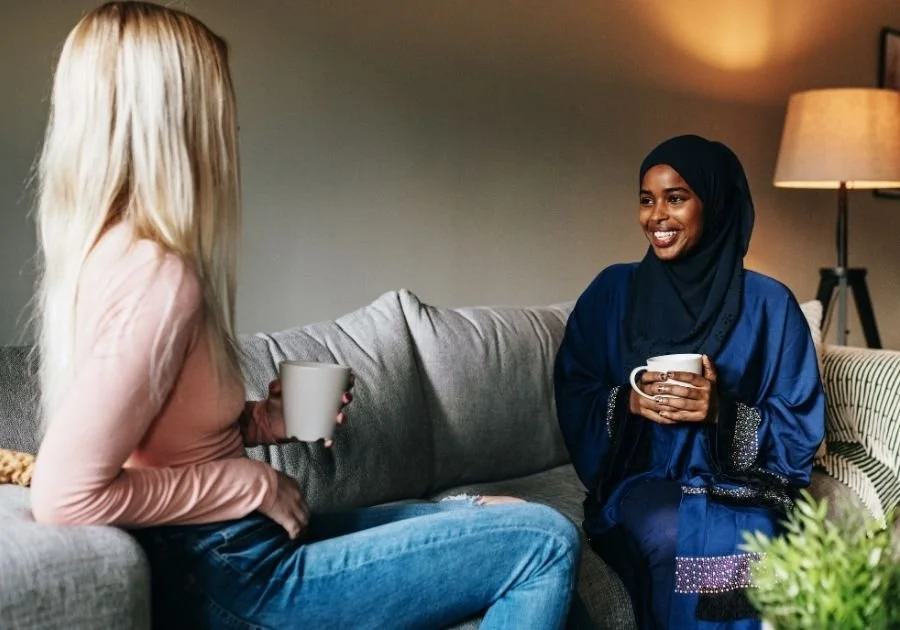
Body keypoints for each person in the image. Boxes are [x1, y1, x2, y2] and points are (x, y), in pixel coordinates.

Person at [28, 3, 580, 629]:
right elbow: (66, 495)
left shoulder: (113, 254)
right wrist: (251, 485)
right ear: (172, 121)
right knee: (544, 540)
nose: (230, 128)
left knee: (476, 513)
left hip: (235, 554)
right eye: (218, 104)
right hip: (237, 576)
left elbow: (160, 442)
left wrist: (264, 421)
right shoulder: (159, 277)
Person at [554, 134, 825, 629]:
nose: (656, 215)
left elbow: (799, 424)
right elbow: (576, 388)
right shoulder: (612, 293)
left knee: (754, 532)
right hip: (645, 478)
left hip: (742, 483)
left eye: (675, 198)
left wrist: (721, 412)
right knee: (672, 531)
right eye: (646, 199)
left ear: (715, 205)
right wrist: (630, 404)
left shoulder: (770, 305)